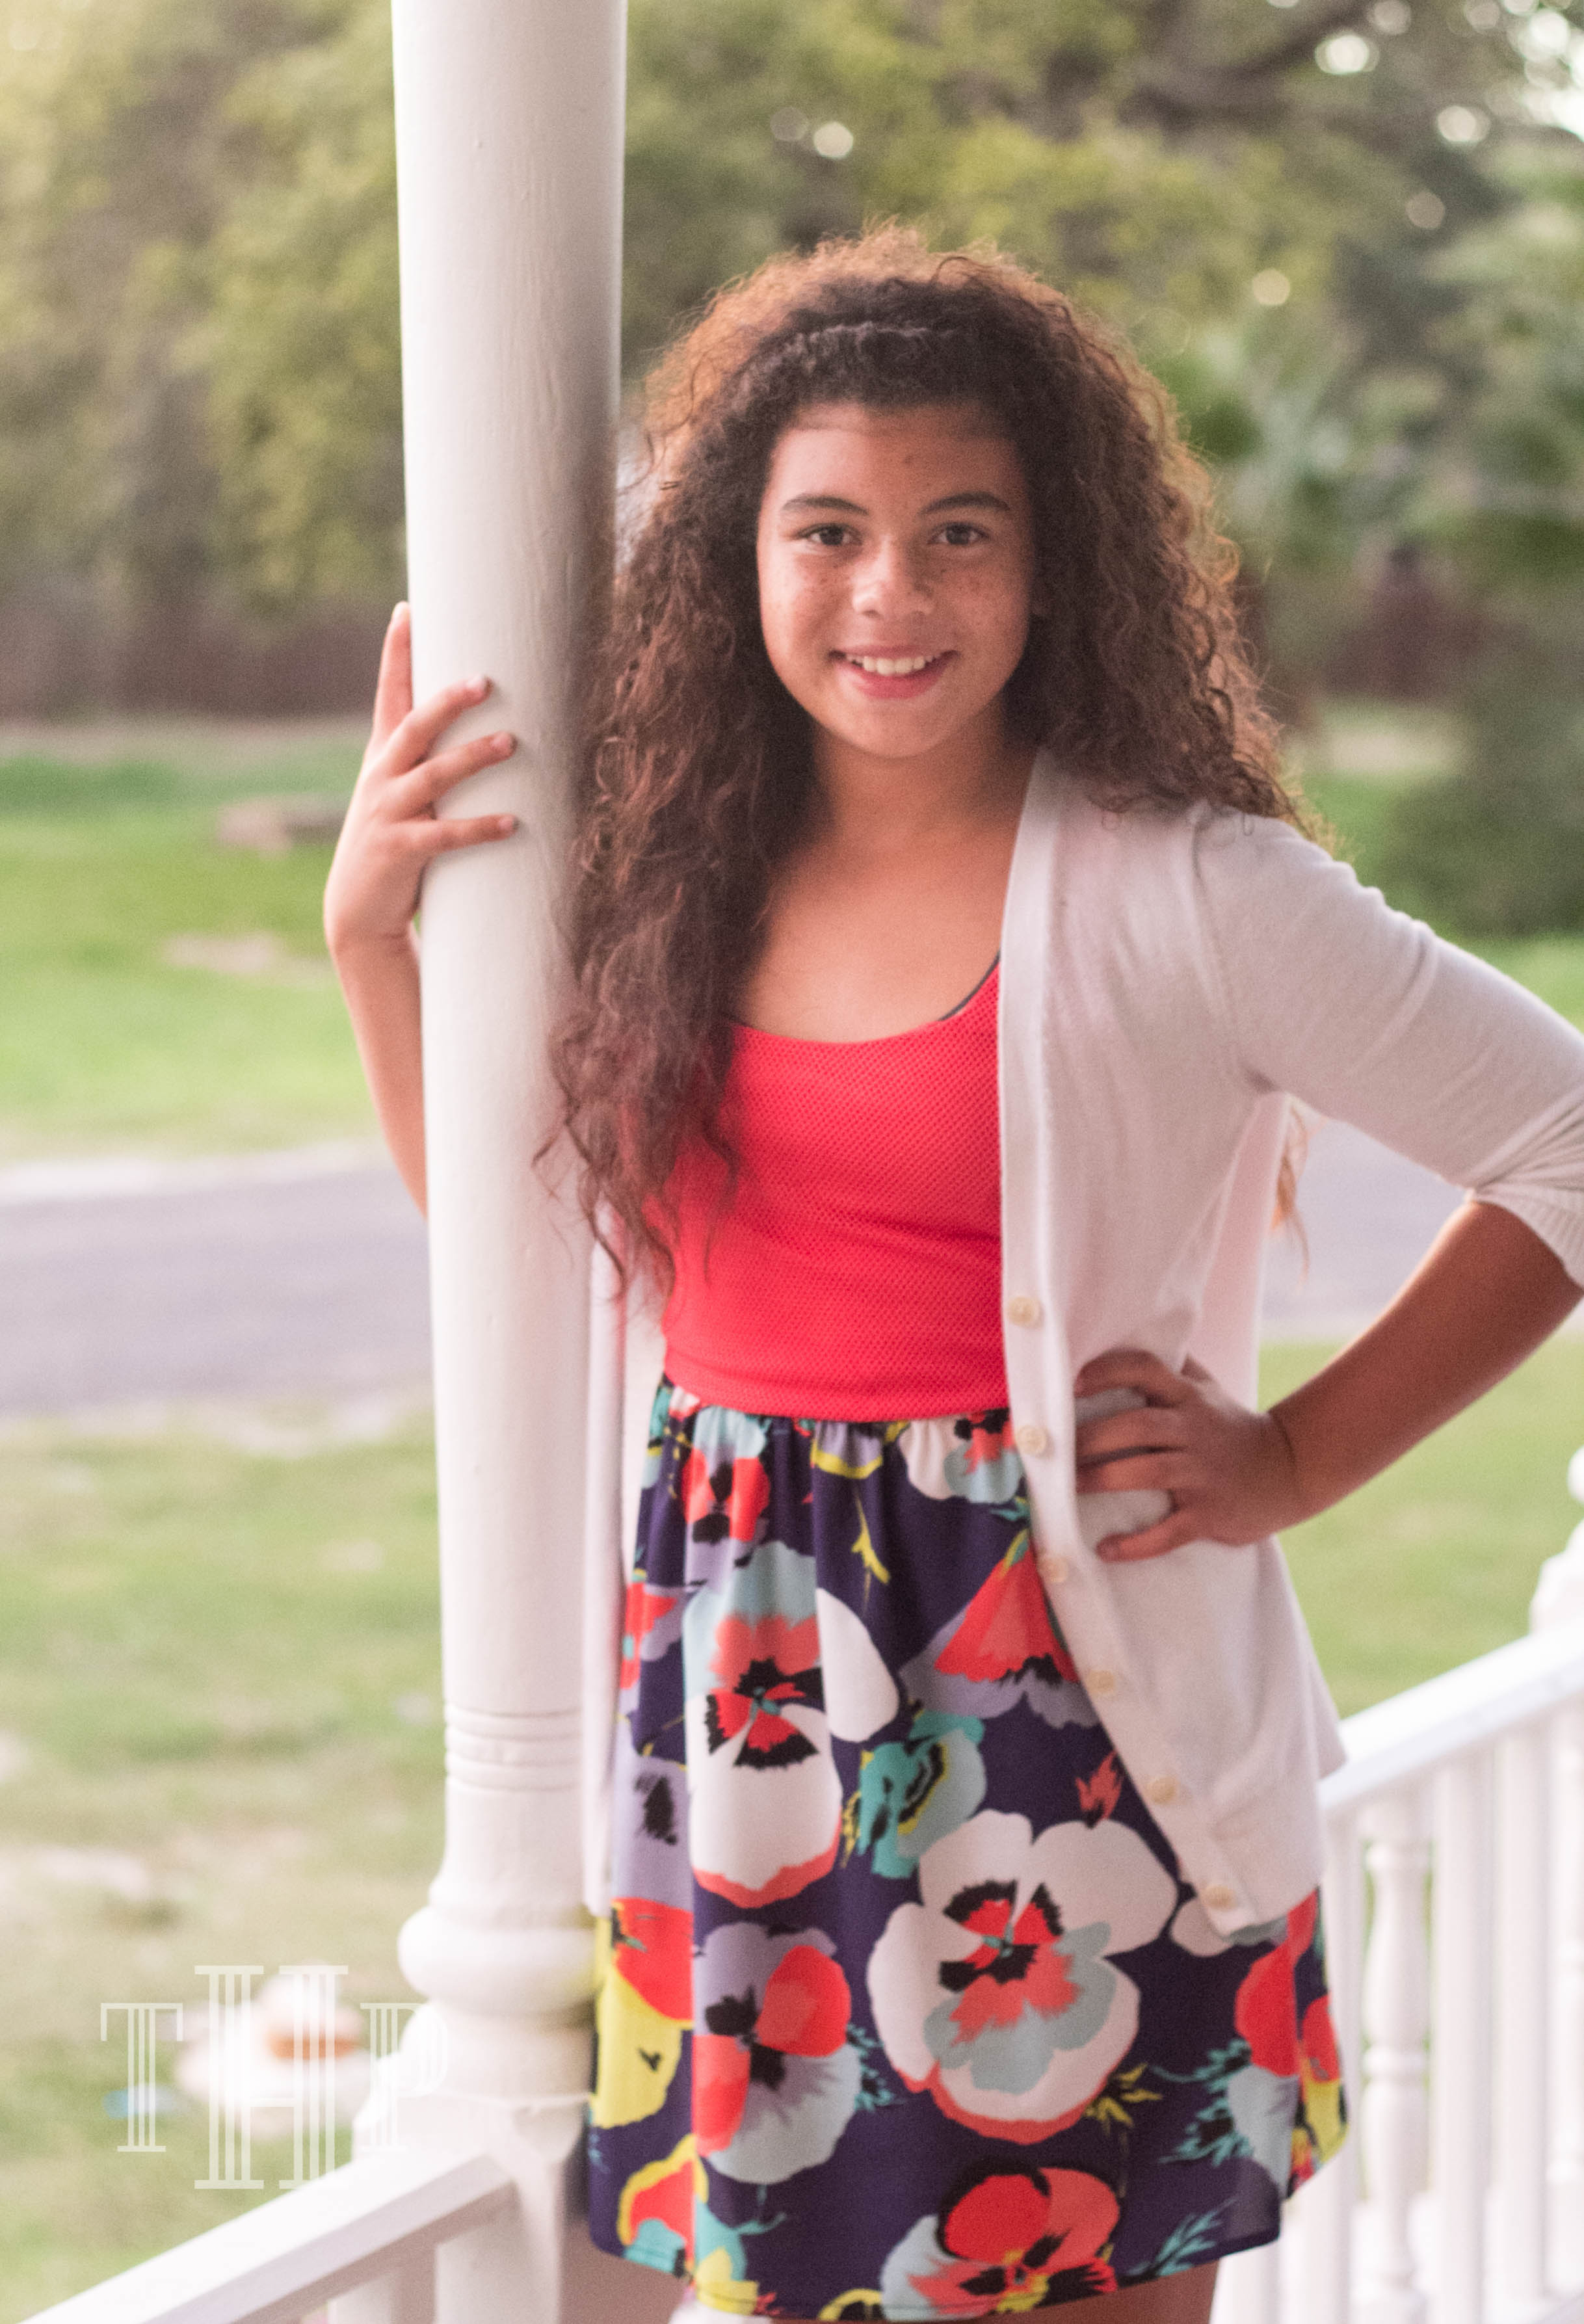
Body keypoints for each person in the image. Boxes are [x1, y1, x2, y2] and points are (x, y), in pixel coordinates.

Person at [324, 228, 1584, 2321]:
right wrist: (376, 941)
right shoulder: (666, 877)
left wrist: (1292, 1458)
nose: (889, 595)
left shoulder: (1189, 889)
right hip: (742, 1700)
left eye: (959, 532)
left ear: (1052, 559)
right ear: (737, 559)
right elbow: (531, 1269)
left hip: (1072, 1720)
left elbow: (1564, 1140)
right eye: (825, 532)